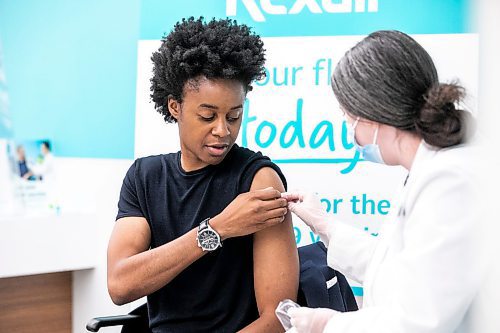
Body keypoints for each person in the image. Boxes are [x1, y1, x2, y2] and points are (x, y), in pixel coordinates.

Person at [107, 17, 299, 332]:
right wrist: (217, 229)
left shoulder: (257, 180)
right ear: (174, 107)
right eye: (207, 115)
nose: (223, 131)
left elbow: (278, 318)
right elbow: (119, 284)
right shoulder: (145, 177)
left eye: (234, 116)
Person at [283, 30, 481, 333]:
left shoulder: (450, 181)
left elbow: (422, 320)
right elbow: (405, 270)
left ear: (374, 115)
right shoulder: (428, 173)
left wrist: (329, 324)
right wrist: (326, 226)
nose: (351, 134)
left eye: (349, 120)